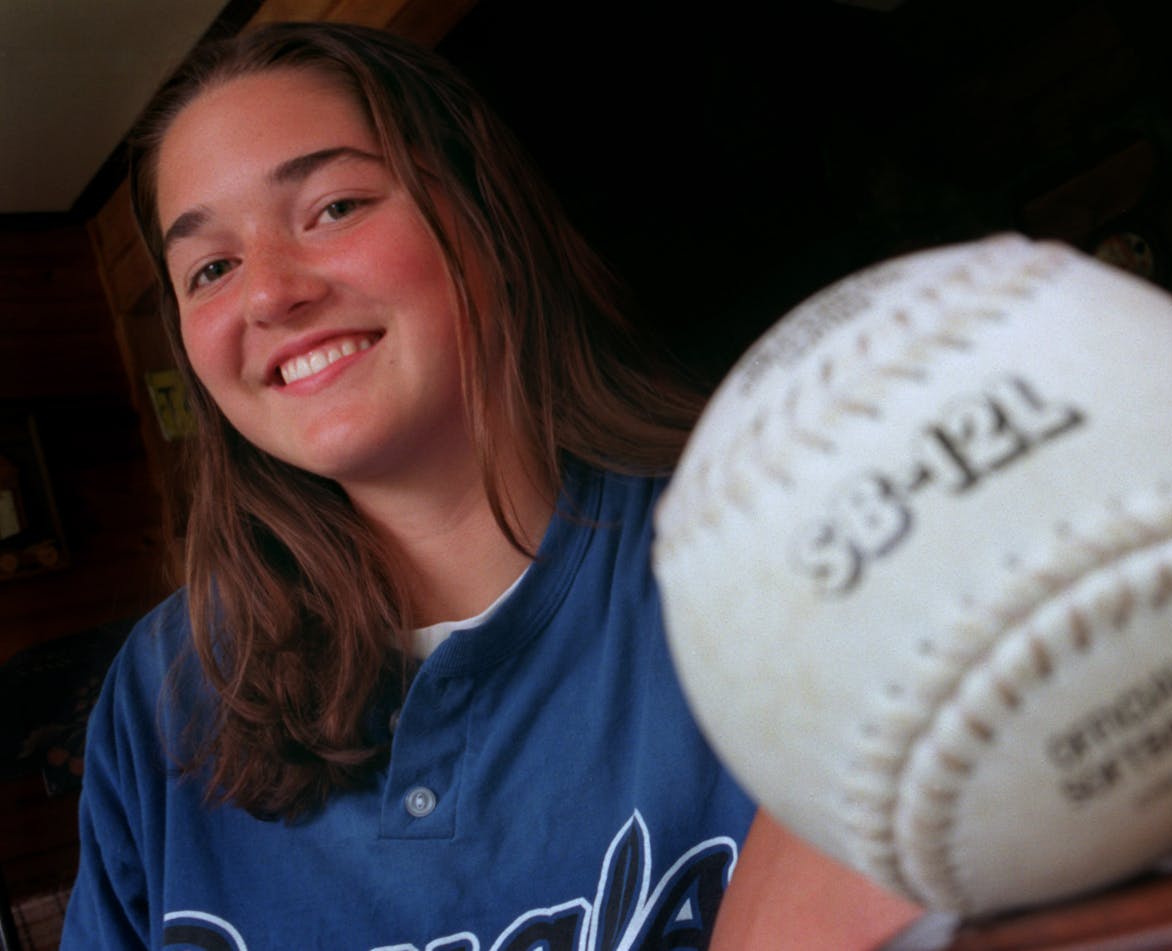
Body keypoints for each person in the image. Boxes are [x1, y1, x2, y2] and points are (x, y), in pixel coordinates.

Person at [61, 22, 768, 949]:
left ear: (483, 208)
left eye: (334, 207)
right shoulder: (166, 690)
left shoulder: (773, 537)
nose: (268, 295)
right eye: (212, 269)